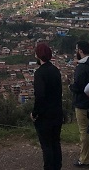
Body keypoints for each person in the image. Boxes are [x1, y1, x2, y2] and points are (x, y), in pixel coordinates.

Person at [30, 41, 64, 170]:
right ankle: (57, 167)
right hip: (57, 112)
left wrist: (34, 113)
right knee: (56, 142)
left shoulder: (40, 73)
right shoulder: (56, 70)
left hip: (45, 116)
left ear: (38, 56)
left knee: (46, 145)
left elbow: (40, 96)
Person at [69, 40, 89, 167]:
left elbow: (79, 86)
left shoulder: (81, 68)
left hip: (82, 102)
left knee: (84, 131)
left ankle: (84, 158)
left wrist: (71, 87)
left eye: (77, 50)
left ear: (80, 51)